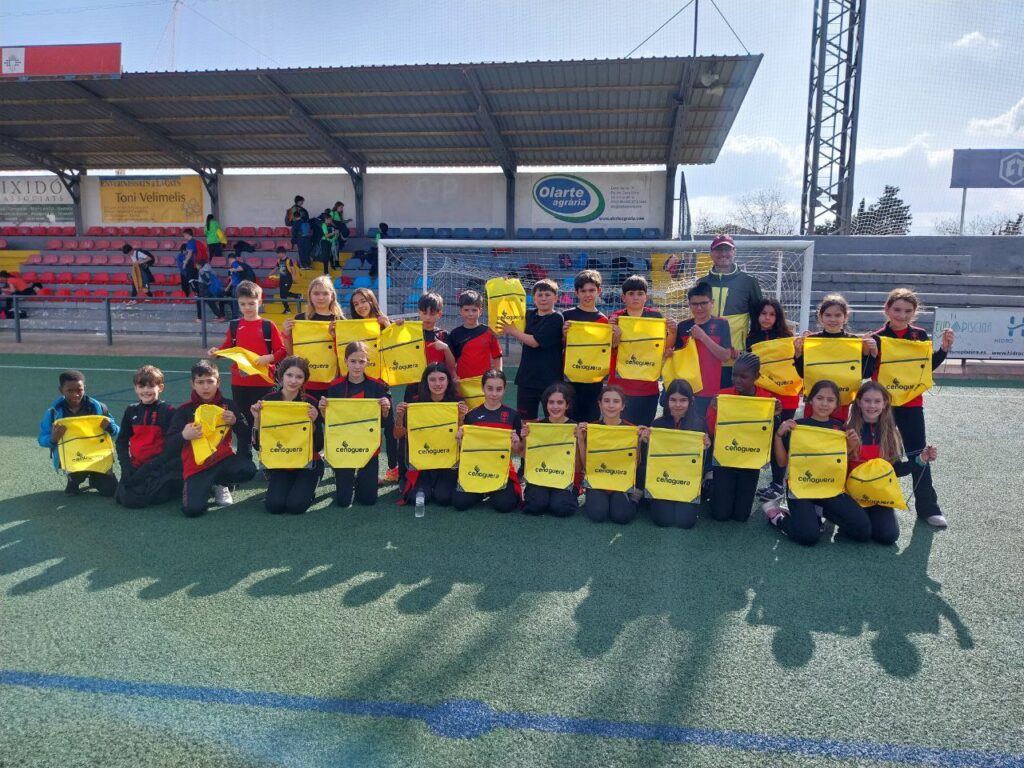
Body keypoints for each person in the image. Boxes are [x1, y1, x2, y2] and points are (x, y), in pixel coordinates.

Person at [866, 288, 954, 528]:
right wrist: (869, 353)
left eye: (908, 311)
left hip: (911, 404)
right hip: (882, 407)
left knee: (918, 454)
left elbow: (925, 368)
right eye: (897, 310)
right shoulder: (876, 337)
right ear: (887, 309)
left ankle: (928, 508)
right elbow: (866, 372)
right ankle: (873, 501)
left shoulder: (920, 335)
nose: (902, 315)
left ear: (915, 312)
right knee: (879, 455)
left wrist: (944, 349)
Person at [768, 380, 871, 546]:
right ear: (810, 400)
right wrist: (779, 436)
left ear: (837, 404)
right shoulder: (797, 427)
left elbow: (838, 462)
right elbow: (781, 462)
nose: (824, 404)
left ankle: (818, 510)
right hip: (801, 488)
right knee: (808, 537)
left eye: (830, 400)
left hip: (829, 487)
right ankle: (777, 517)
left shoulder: (839, 428)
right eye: (819, 398)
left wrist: (851, 446)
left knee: (863, 530)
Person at [846, 381, 939, 544]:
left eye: (877, 401)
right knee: (861, 533)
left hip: (878, 496)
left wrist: (921, 459)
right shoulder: (847, 430)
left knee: (888, 536)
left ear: (885, 404)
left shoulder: (890, 434)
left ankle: (868, 518)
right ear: (859, 402)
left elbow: (896, 470)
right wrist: (848, 448)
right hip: (851, 495)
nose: (872, 406)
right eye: (867, 400)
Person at [167, 359, 257, 516]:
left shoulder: (229, 406)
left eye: (210, 381)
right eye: (200, 382)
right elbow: (169, 444)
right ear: (193, 384)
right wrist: (184, 435)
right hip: (197, 466)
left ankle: (221, 484)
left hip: (223, 460)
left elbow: (246, 435)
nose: (206, 387)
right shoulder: (184, 410)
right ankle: (203, 485)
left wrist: (235, 423)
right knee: (192, 510)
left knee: (248, 469)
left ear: (218, 382)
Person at [206, 280, 287, 443]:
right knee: (242, 418)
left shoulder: (268, 325)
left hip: (263, 381)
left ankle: (265, 449)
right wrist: (216, 352)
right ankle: (246, 449)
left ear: (260, 302)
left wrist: (270, 358)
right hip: (240, 382)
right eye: (242, 304)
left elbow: (282, 350)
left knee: (263, 418)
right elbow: (227, 348)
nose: (247, 307)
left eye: (251, 303)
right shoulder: (235, 326)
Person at [706, 352, 779, 523]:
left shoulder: (767, 399)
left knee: (741, 516)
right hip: (725, 458)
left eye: (743, 376)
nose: (737, 380)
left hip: (750, 460)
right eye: (734, 375)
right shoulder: (723, 396)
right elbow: (711, 431)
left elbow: (769, 435)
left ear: (756, 377)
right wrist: (713, 410)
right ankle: (709, 484)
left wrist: (776, 416)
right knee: (720, 515)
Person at [322, 341, 392, 508]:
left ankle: (362, 479)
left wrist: (385, 410)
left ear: (367, 362)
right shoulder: (335, 387)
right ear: (345, 361)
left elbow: (384, 424)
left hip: (368, 445)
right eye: (353, 361)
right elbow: (330, 423)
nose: (357, 366)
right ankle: (347, 478)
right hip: (344, 445)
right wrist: (323, 411)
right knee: (344, 502)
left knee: (369, 500)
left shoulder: (378, 386)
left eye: (362, 361)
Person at [252, 356, 324, 515]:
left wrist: (314, 422)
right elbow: (257, 446)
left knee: (295, 506)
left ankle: (310, 487)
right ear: (281, 375)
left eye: (299, 377)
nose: (293, 380)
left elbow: (319, 446)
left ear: (304, 380)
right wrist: (257, 419)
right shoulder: (268, 401)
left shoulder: (310, 403)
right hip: (282, 463)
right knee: (274, 506)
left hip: (308, 464)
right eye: (289, 375)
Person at [393, 363, 467, 506]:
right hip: (423, 461)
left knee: (443, 498)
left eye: (442, 379)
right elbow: (398, 435)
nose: (437, 384)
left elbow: (464, 439)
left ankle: (440, 484)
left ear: (448, 381)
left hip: (447, 461)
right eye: (432, 379)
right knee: (416, 499)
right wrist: (400, 417)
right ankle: (415, 482)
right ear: (425, 382)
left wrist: (461, 419)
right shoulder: (415, 402)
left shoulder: (457, 402)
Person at [793, 293, 875, 422]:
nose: (832, 319)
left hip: (841, 402)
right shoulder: (812, 341)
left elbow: (865, 374)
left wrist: (867, 353)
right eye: (828, 315)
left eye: (837, 315)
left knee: (837, 432)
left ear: (845, 317)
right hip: (815, 402)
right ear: (820, 317)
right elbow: (803, 374)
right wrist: (798, 353)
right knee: (813, 431)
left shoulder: (853, 342)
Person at [696, 234, 764, 388]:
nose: (723, 254)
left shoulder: (749, 282)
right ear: (711, 253)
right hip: (705, 358)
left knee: (729, 399)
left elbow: (758, 321)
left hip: (736, 360)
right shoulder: (701, 283)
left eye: (727, 249)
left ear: (734, 251)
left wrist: (748, 349)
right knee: (706, 400)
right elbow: (696, 317)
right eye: (718, 250)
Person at [37, 369, 119, 496]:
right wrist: (53, 439)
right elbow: (42, 439)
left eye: (79, 390)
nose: (75, 395)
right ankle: (74, 479)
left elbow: (116, 430)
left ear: (84, 387)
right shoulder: (54, 413)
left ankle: (95, 477)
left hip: (97, 456)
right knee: (73, 486)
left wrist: (110, 428)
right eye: (70, 391)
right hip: (73, 458)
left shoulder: (99, 408)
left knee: (111, 491)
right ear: (61, 390)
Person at [747, 298, 798, 500]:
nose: (767, 318)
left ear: (778, 317)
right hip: (762, 397)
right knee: (761, 437)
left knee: (781, 438)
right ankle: (753, 483)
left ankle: (778, 484)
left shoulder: (788, 338)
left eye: (772, 314)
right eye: (763, 313)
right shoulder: (751, 338)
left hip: (786, 397)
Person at [452, 369, 523, 512]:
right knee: (459, 503)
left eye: (499, 389)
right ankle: (482, 492)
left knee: (505, 505)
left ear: (504, 389)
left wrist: (516, 443)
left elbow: (519, 451)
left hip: (500, 469)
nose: (494, 394)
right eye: (490, 388)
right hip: (476, 469)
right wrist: (460, 439)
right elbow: (464, 449)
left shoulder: (512, 415)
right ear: (482, 388)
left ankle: (490, 491)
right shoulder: (472, 415)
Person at [644, 379, 710, 529]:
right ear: (667, 401)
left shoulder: (700, 425)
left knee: (686, 522)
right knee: (662, 520)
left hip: (686, 482)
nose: (678, 404)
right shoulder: (657, 425)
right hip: (663, 480)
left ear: (691, 401)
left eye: (683, 400)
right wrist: (646, 440)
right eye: (673, 400)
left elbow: (702, 461)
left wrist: (707, 446)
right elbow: (651, 459)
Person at [114, 365, 181, 508]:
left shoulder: (168, 411)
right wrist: (126, 467)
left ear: (160, 388)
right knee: (122, 498)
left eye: (151, 386)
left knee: (156, 497)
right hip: (136, 465)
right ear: (135, 388)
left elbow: (171, 449)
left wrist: (149, 468)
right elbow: (121, 441)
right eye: (141, 386)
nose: (145, 390)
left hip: (159, 466)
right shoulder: (131, 411)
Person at [348, 286, 397, 483]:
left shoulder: (383, 323)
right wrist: (335, 334)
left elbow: (397, 350)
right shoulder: (350, 329)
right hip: (358, 385)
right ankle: (362, 469)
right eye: (355, 304)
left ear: (372, 301)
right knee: (363, 429)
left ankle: (394, 468)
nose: (360, 306)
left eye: (363, 301)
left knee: (390, 428)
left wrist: (389, 327)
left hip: (381, 385)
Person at [607, 274, 669, 427]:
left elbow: (664, 347)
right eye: (631, 293)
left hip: (648, 388)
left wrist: (672, 333)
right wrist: (615, 336)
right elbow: (607, 352)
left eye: (640, 293)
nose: (635, 297)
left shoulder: (656, 317)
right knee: (621, 434)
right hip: (621, 388)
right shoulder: (615, 318)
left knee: (643, 432)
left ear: (646, 296)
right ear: (623, 297)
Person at [578, 384, 644, 524]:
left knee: (621, 516)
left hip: (620, 479)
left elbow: (636, 463)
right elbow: (585, 465)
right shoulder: (592, 428)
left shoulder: (631, 430)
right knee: (597, 514)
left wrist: (638, 442)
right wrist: (581, 440)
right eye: (606, 401)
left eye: (616, 401)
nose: (611, 405)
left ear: (623, 405)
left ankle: (634, 498)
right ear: (600, 404)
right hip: (598, 479)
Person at [668, 282, 733, 421]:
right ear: (689, 305)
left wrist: (703, 337)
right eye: (694, 304)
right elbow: (675, 358)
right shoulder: (683, 326)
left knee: (705, 429)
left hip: (709, 390)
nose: (699, 308)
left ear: (712, 303)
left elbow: (726, 356)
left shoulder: (721, 324)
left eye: (704, 303)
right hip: (686, 390)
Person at [501, 278, 564, 421]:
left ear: (556, 298)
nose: (543, 298)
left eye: (547, 295)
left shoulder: (556, 318)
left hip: (549, 380)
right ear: (534, 298)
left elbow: (535, 342)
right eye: (539, 295)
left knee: (554, 420)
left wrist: (512, 330)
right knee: (525, 421)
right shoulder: (528, 315)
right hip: (527, 378)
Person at [282, 275, 346, 400]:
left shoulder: (340, 321)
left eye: (325, 293)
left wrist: (334, 338)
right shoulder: (300, 320)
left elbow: (346, 356)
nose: (321, 297)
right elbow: (291, 353)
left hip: (333, 383)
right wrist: (287, 334)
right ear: (310, 295)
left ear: (332, 296)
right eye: (316, 293)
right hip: (304, 383)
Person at [521, 382, 580, 517]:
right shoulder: (537, 428)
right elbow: (526, 457)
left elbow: (579, 467)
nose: (555, 407)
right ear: (546, 404)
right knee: (535, 505)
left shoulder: (574, 428)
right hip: (541, 475)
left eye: (560, 402)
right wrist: (525, 438)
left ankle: (560, 497)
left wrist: (580, 441)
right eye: (551, 402)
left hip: (564, 477)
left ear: (567, 405)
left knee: (561, 508)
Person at [561, 269, 608, 422]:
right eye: (583, 291)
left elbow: (604, 350)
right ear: (577, 293)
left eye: (591, 290)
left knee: (590, 419)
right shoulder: (566, 316)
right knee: (568, 419)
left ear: (599, 291)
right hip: (570, 378)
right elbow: (559, 346)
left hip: (593, 379)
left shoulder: (604, 321)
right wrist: (564, 335)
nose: (588, 294)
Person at [450, 289, 503, 381]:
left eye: (474, 310)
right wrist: (454, 376)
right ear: (461, 311)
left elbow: (497, 356)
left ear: (480, 311)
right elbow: (450, 361)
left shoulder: (489, 332)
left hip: (483, 383)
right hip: (462, 382)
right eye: (466, 310)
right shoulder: (454, 334)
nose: (470, 314)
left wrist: (498, 376)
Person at [272, 246, 300, 315]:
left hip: (288, 279)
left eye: (279, 253)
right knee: (282, 295)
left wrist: (293, 277)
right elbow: (276, 268)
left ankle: (288, 308)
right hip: (282, 280)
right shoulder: (279, 261)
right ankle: (296, 297)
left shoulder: (288, 260)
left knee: (284, 293)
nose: (278, 255)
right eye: (277, 253)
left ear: (283, 253)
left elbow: (293, 270)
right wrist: (270, 273)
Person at [330, 201, 350, 270]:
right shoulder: (332, 212)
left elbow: (341, 222)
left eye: (342, 208)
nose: (342, 209)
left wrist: (347, 221)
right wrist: (336, 227)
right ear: (337, 207)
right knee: (333, 251)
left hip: (338, 234)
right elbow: (330, 221)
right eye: (341, 207)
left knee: (337, 250)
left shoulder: (339, 214)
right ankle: (333, 265)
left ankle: (337, 264)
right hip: (334, 234)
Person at [318, 210, 336, 275]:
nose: (331, 220)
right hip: (325, 242)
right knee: (326, 257)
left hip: (328, 242)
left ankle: (326, 271)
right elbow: (326, 235)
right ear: (326, 219)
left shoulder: (329, 225)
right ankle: (326, 272)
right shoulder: (324, 225)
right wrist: (334, 233)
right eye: (330, 219)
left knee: (328, 256)